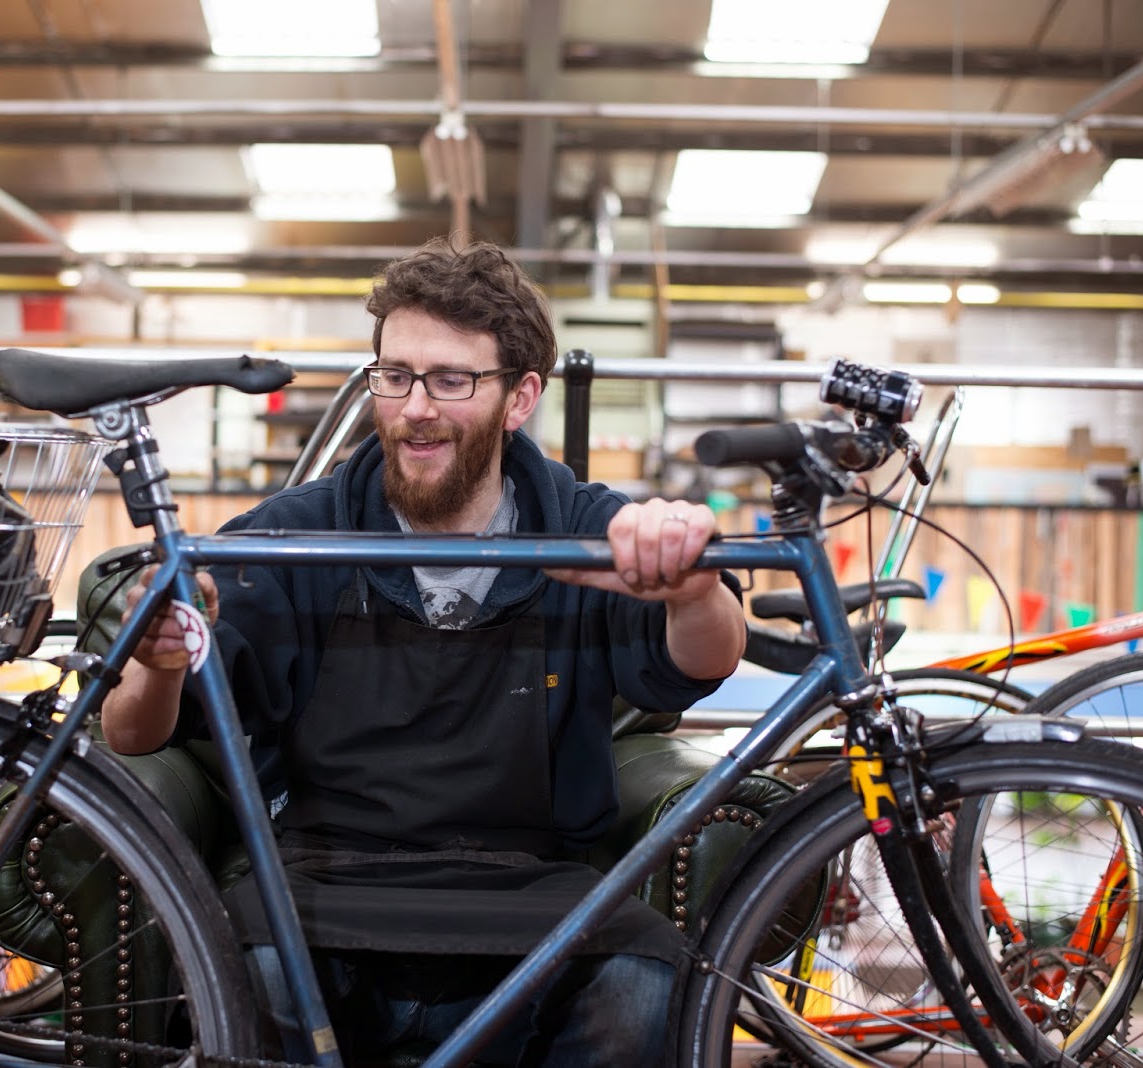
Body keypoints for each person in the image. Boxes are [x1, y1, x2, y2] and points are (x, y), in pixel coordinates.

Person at [102, 236, 748, 1065]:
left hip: (529, 886)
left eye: (450, 380)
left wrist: (692, 588)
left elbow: (707, 660)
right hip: (325, 882)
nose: (414, 408)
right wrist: (156, 661)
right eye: (395, 375)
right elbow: (130, 732)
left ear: (519, 398)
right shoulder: (296, 536)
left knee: (647, 986)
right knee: (245, 970)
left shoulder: (584, 528)